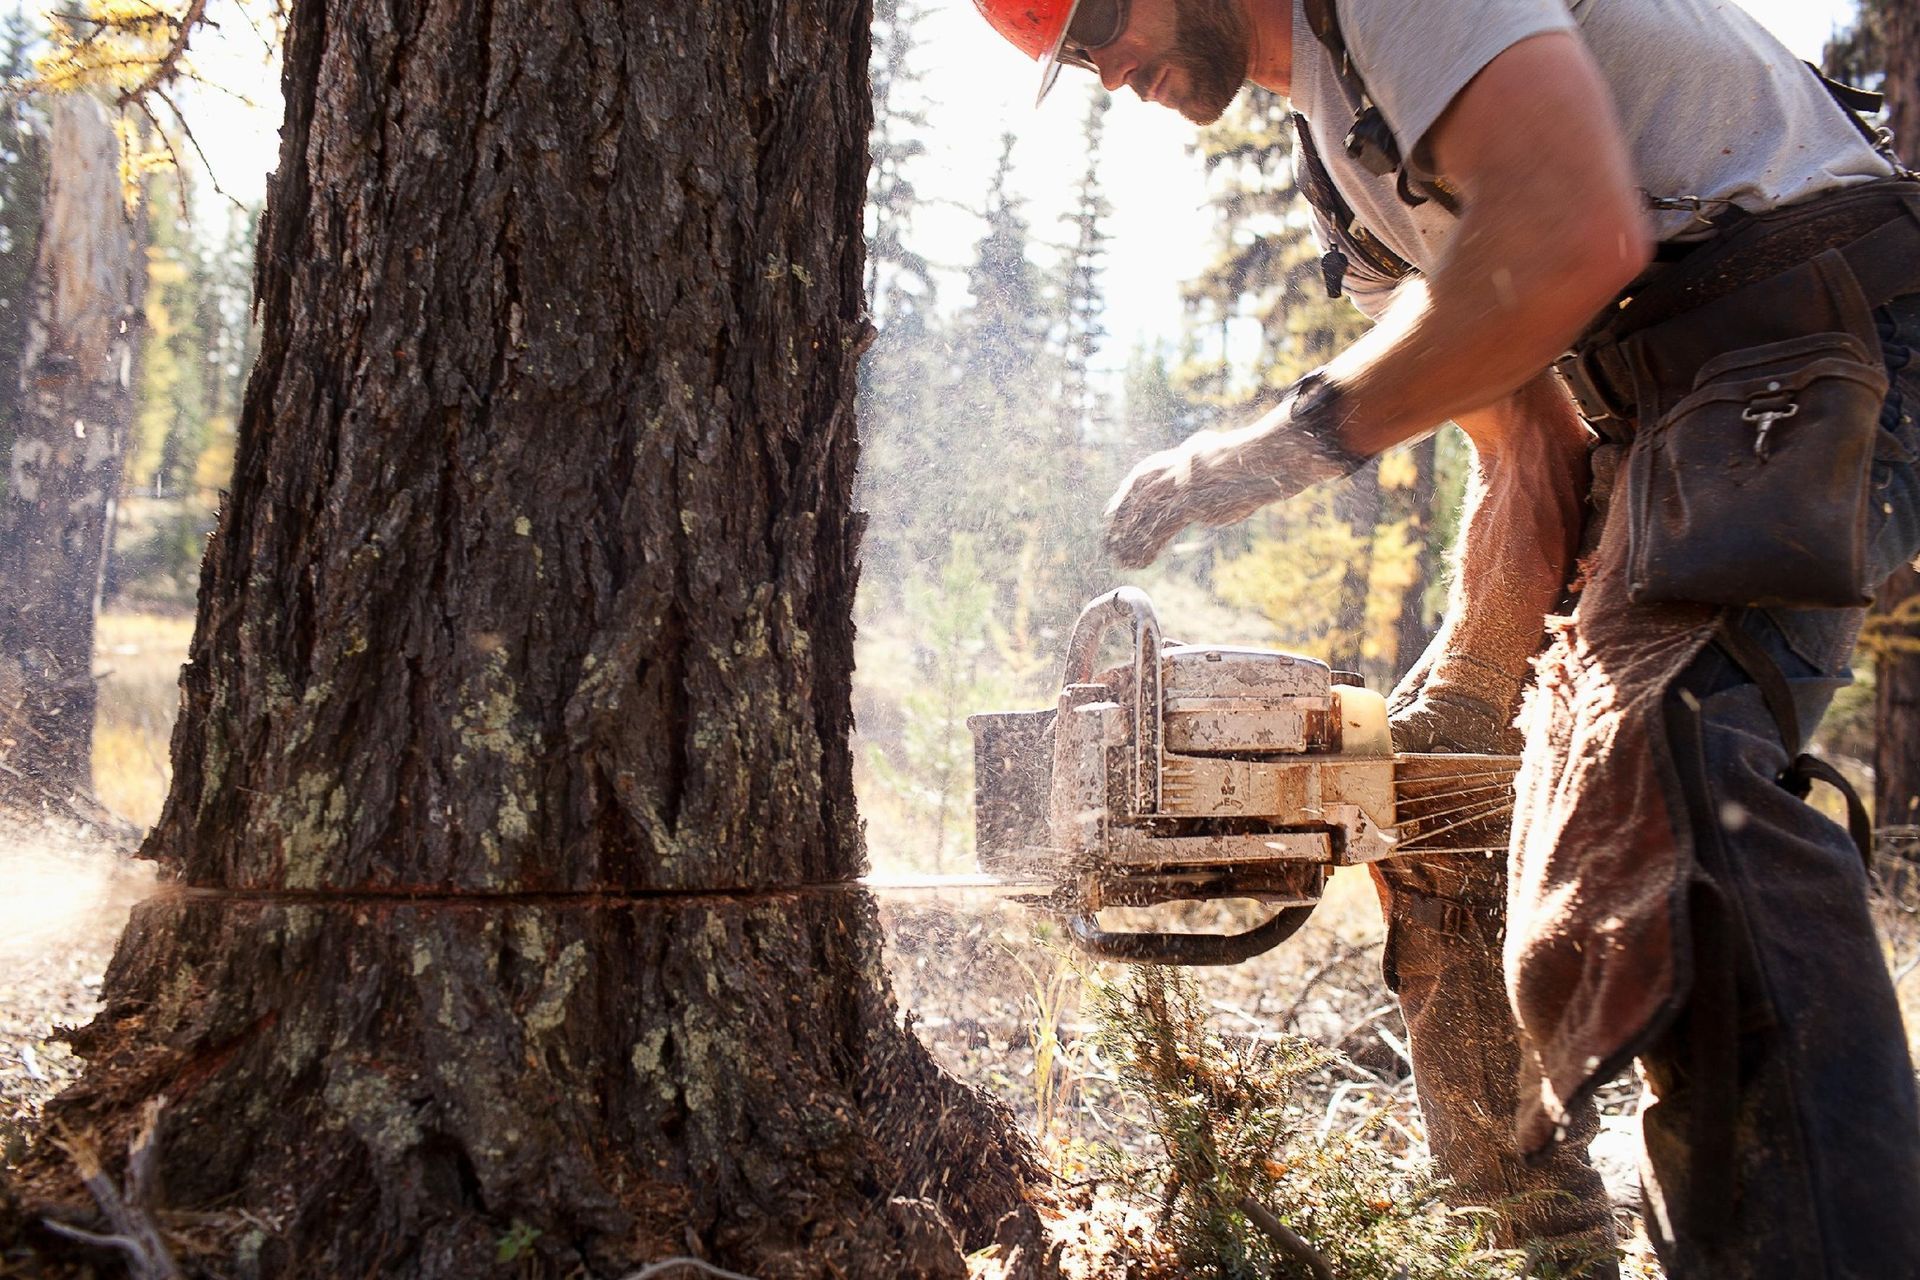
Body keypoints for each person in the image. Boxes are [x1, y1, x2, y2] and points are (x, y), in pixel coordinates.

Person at [972, 2, 1920, 1277]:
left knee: (1677, 781)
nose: (1101, 70)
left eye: (1097, 23)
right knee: (1444, 804)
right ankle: (1547, 1241)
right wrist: (1454, 718)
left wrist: (1264, 450)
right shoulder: (1335, 159)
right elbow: (1532, 445)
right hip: (1672, 410)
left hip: (1821, 335)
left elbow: (1571, 235)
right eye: (1071, 63)